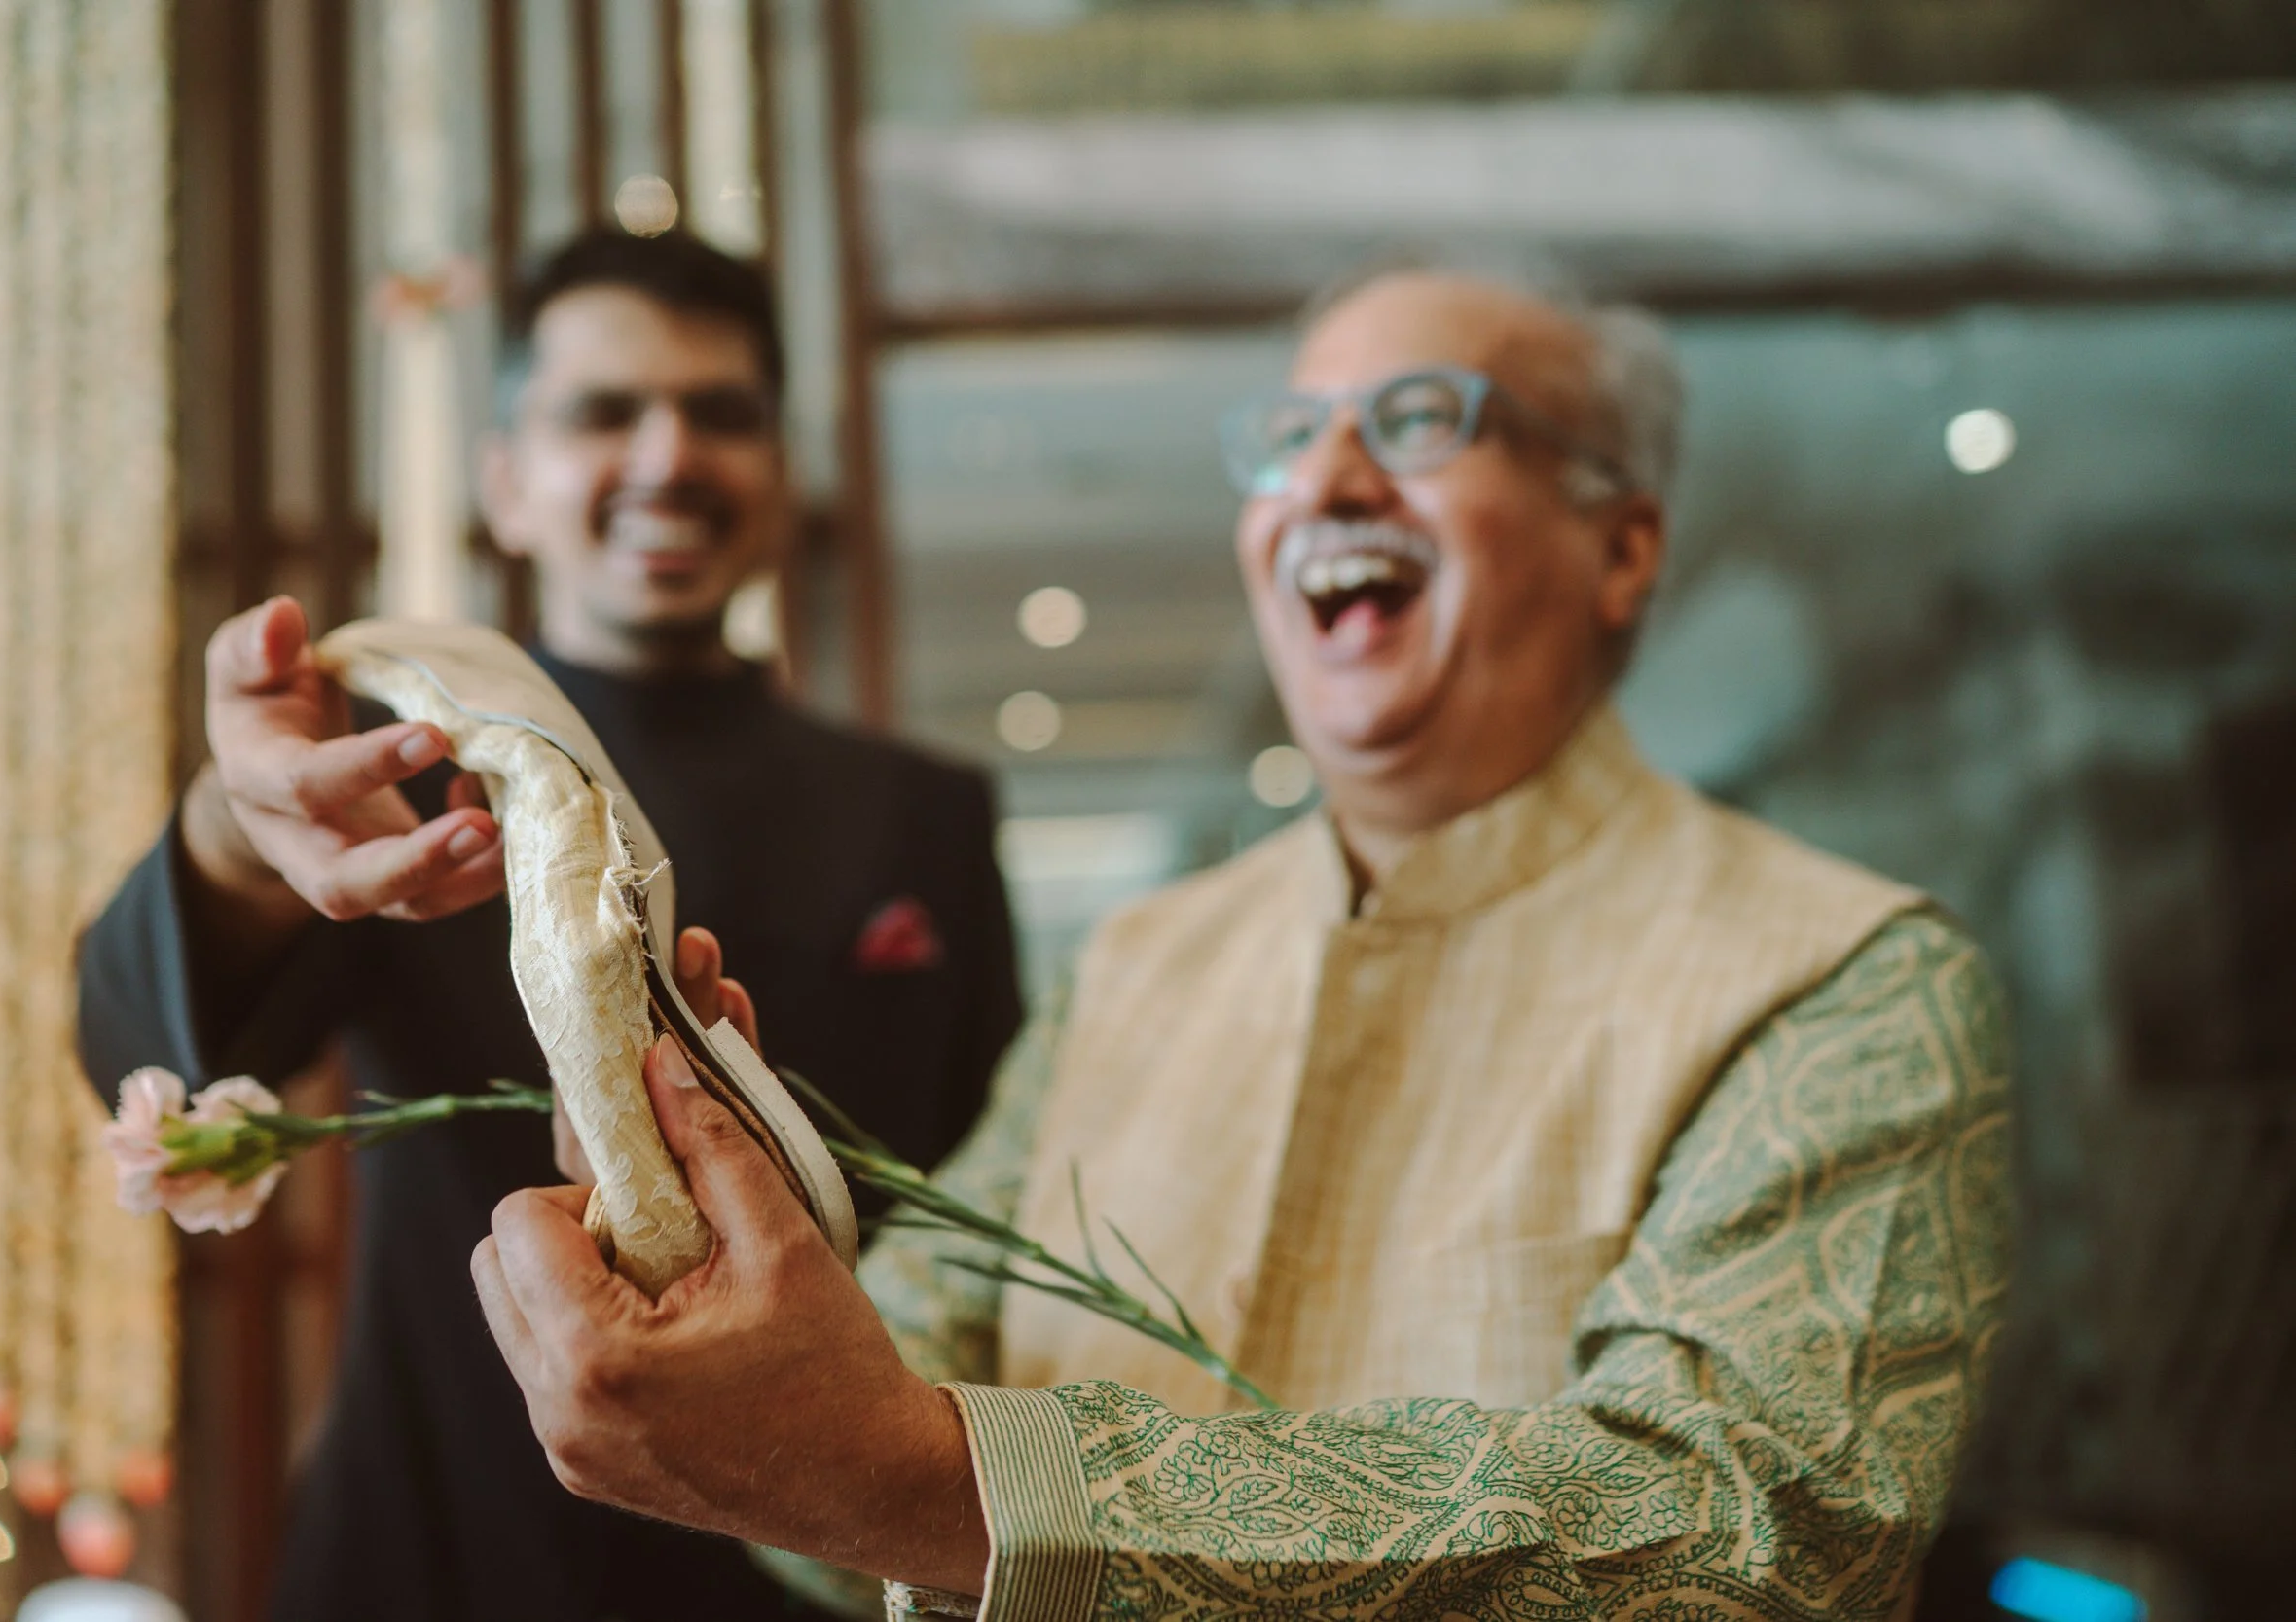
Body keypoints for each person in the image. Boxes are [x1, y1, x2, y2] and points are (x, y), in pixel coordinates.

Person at [469, 270, 2015, 1619]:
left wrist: (937, 1479)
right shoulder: (1134, 970)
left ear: (1619, 547)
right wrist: (692, 1264)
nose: (1328, 475)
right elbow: (864, 1418)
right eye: (1288, 438)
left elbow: (1752, 1540)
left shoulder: (1845, 975)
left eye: (1419, 418)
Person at [76, 229, 1025, 1622]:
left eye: (722, 413)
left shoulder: (925, 814)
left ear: (779, 473)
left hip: (818, 1569)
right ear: (506, 483)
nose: (666, 456)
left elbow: (992, 1194)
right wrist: (234, 825)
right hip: (435, 1551)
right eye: (603, 413)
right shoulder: (403, 775)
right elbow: (142, 1047)